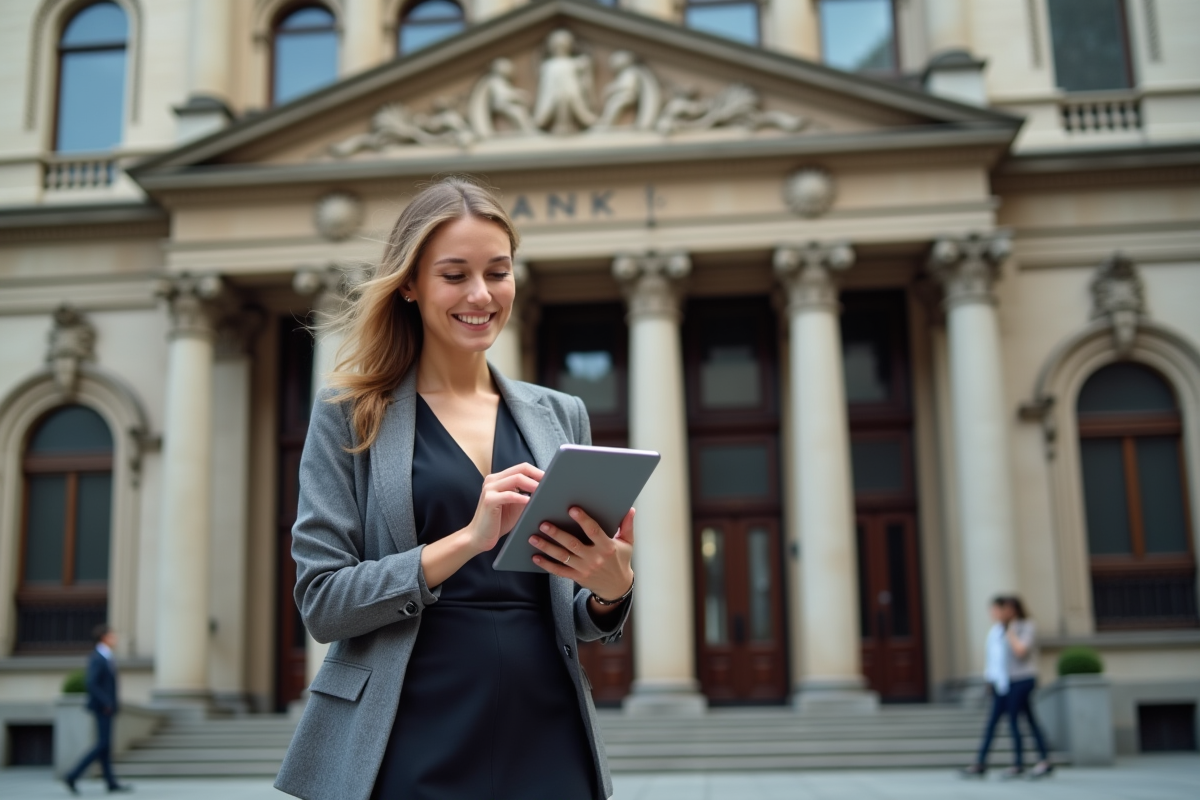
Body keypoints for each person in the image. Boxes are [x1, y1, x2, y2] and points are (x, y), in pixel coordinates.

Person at [274, 178, 635, 800]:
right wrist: (467, 540)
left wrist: (610, 590)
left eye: (498, 272)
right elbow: (323, 602)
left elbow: (564, 610)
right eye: (455, 274)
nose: (481, 294)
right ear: (409, 284)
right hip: (409, 726)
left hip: (546, 723)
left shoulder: (561, 414)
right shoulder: (349, 414)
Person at [961, 596, 1054, 779]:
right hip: (1003, 683)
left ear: (1013, 610)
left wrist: (1010, 631)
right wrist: (990, 681)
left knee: (1015, 720)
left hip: (1022, 680)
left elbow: (1021, 651)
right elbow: (994, 660)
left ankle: (1022, 763)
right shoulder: (996, 630)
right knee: (998, 722)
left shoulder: (1026, 626)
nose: (996, 614)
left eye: (1001, 609)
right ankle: (982, 762)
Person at [64, 625, 132, 794]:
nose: (115, 639)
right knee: (102, 744)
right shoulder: (98, 657)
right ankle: (72, 775)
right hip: (103, 708)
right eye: (112, 636)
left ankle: (110, 783)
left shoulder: (106, 656)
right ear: (104, 638)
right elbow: (91, 683)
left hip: (107, 707)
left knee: (105, 746)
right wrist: (107, 702)